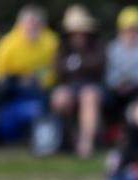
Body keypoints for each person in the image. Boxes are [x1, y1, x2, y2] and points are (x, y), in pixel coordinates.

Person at [0, 5, 58, 141]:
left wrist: (36, 75)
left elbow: (54, 69)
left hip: (40, 90)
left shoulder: (51, 42)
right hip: (14, 90)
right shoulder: (7, 44)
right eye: (28, 23)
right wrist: (18, 78)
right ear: (20, 24)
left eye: (36, 24)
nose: (31, 27)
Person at [51, 4, 105, 157]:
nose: (78, 35)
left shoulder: (97, 46)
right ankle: (62, 140)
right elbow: (59, 72)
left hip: (92, 86)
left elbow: (98, 67)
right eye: (75, 31)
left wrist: (77, 65)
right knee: (60, 98)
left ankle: (86, 143)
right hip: (69, 87)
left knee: (88, 96)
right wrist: (79, 66)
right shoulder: (62, 47)